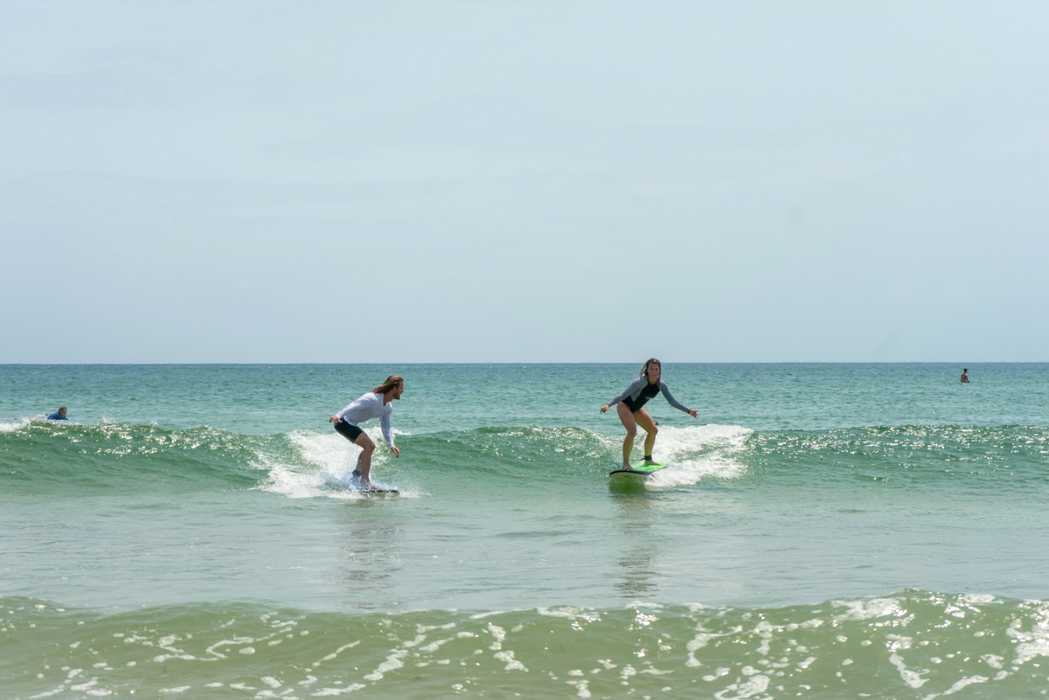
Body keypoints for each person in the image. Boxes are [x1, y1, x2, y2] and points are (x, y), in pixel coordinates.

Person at [600, 359, 699, 469]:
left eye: (656, 369)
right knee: (632, 432)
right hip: (624, 405)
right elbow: (622, 395)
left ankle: (648, 460)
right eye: (651, 369)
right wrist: (608, 405)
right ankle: (625, 463)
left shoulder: (661, 385)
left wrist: (689, 411)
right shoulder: (640, 382)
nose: (654, 372)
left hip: (637, 408)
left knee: (653, 431)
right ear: (647, 370)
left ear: (660, 370)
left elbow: (672, 401)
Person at [328, 376, 404, 489]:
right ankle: (365, 482)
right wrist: (338, 415)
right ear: (393, 389)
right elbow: (353, 405)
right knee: (369, 445)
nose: (403, 391)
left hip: (351, 424)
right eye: (401, 388)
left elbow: (386, 426)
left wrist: (391, 444)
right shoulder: (373, 398)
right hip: (342, 422)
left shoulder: (388, 407)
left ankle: (356, 475)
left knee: (370, 447)